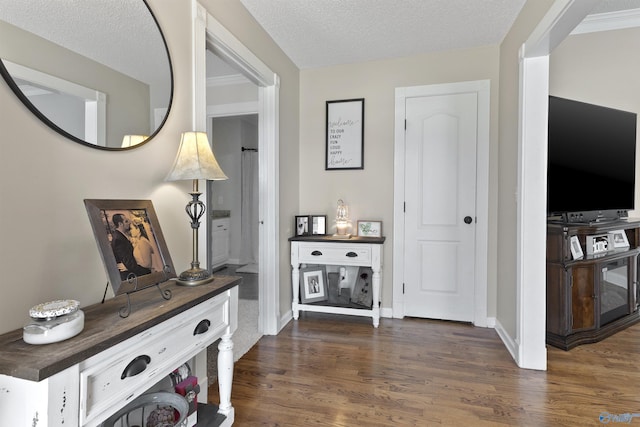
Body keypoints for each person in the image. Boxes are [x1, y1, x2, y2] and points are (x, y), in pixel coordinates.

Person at [111, 213, 151, 280]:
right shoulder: (118, 239)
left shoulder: (121, 236)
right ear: (120, 224)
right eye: (126, 221)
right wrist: (146, 271)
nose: (129, 223)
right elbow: (129, 263)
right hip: (130, 276)